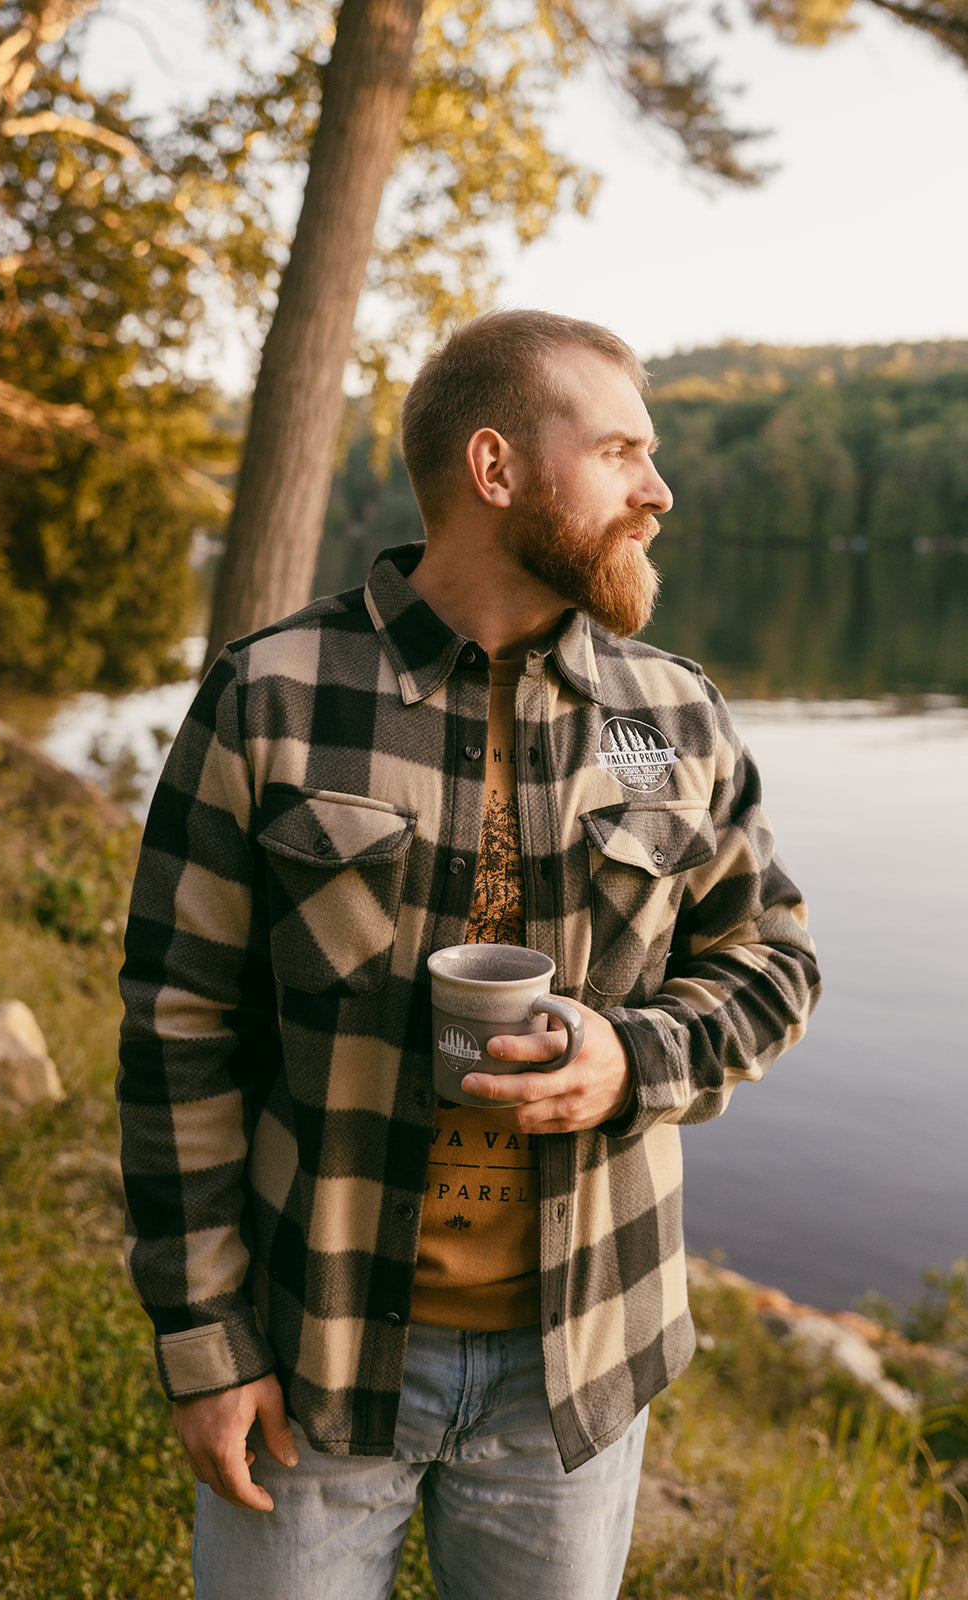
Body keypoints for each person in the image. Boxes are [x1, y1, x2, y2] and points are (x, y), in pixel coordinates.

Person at [118, 309, 821, 1600]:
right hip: (315, 1358)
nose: (659, 493)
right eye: (621, 454)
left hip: (577, 1367)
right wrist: (204, 1338)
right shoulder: (270, 696)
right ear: (497, 471)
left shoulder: (675, 713)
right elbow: (176, 1028)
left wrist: (632, 1056)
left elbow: (772, 960)